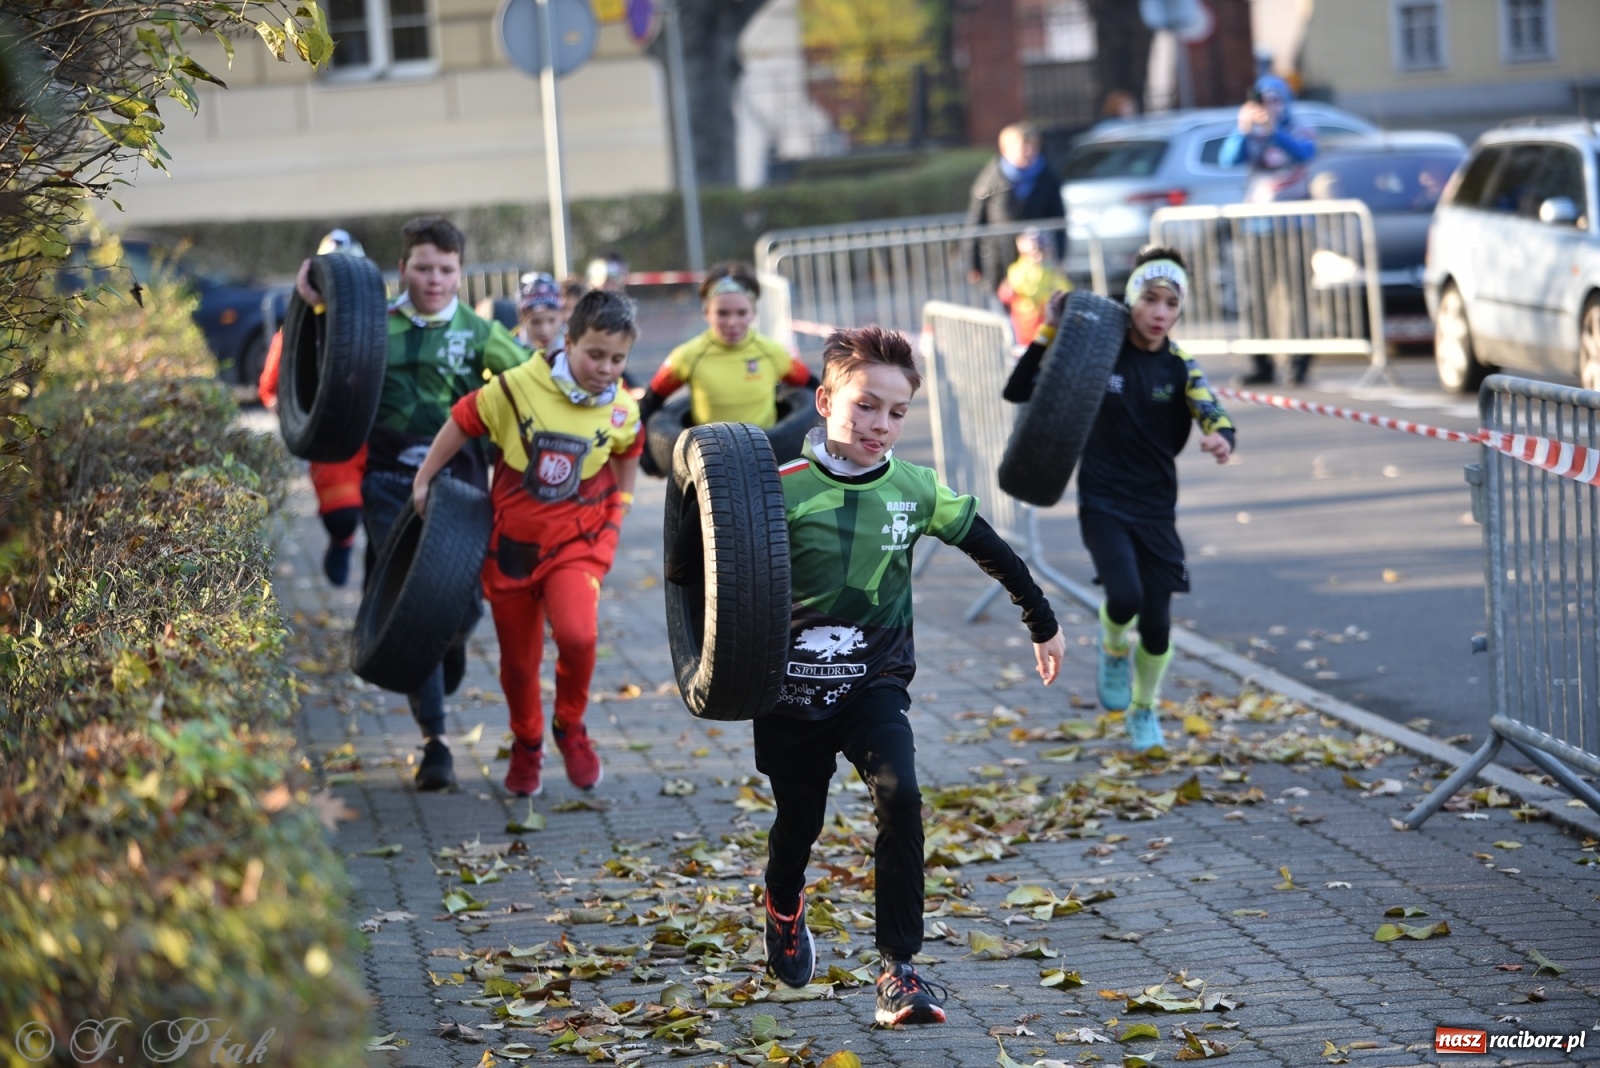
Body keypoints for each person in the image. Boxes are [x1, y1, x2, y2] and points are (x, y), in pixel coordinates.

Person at [744, 325, 1066, 1025]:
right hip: (790, 693)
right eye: (865, 405)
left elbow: (988, 546)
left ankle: (899, 969)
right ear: (825, 401)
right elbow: (711, 579)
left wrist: (1040, 620)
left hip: (874, 683)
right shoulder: (778, 490)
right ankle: (783, 902)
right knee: (800, 821)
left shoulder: (914, 488)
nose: (880, 425)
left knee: (902, 794)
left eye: (896, 412)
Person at [294, 216, 531, 792]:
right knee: (413, 600)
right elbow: (322, 374)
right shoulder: (374, 326)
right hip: (390, 481)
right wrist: (316, 309)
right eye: (423, 268)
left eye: (445, 269)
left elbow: (531, 386)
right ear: (402, 269)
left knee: (463, 607)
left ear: (460, 272)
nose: (434, 280)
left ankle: (450, 638)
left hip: (463, 485)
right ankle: (435, 744)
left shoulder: (479, 331)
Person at [409, 290, 642, 797]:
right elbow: (462, 419)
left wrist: (622, 501)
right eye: (595, 355)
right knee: (518, 663)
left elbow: (630, 447)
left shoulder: (622, 408)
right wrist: (425, 478)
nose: (605, 369)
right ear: (568, 341)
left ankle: (570, 726)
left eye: (617, 359)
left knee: (578, 636)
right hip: (512, 548)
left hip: (576, 545)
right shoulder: (515, 388)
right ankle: (528, 742)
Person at [1003, 248, 1235, 752]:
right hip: (1104, 501)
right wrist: (1050, 328)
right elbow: (1018, 389)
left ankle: (1143, 710)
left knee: (1156, 626)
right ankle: (1112, 649)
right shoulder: (1098, 350)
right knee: (1124, 597)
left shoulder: (1179, 365)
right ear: (1131, 300)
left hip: (1156, 508)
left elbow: (1212, 410)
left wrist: (1221, 438)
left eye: (1171, 303)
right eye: (1150, 299)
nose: (1159, 312)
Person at [258, 228, 368, 587]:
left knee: (387, 520)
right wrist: (291, 415)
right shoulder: (297, 331)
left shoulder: (379, 323)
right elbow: (271, 388)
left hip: (378, 431)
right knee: (343, 516)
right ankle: (343, 541)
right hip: (330, 434)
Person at [636, 262, 817, 472]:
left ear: (753, 312)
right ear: (707, 313)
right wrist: (648, 453)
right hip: (711, 465)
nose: (732, 322)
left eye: (741, 312)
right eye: (722, 313)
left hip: (766, 458)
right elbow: (649, 403)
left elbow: (815, 389)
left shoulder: (774, 352)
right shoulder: (686, 356)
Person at [1220, 74, 1317, 386]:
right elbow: (1227, 159)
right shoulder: (1251, 133)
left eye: (1276, 100)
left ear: (1286, 102)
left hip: (1294, 226)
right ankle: (1262, 364)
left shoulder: (1299, 128)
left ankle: (1299, 363)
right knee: (1256, 296)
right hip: (1257, 228)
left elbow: (1305, 152)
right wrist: (1241, 129)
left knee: (1296, 295)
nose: (1269, 106)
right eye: (1264, 100)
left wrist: (1274, 133)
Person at [965, 122, 1067, 296]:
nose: (1027, 151)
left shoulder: (1048, 178)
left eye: (1032, 146)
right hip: (1000, 260)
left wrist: (1060, 257)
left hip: (1038, 261)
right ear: (1005, 149)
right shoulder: (990, 180)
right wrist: (972, 264)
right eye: (1022, 146)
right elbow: (975, 223)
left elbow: (1059, 220)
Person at [996, 228, 1072, 346]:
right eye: (1035, 252)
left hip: (1047, 322)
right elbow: (1007, 292)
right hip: (1025, 323)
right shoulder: (1017, 271)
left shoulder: (1053, 271)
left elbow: (1065, 289)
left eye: (1042, 251)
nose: (1039, 257)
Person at [516, 272, 563, 353]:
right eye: (536, 322)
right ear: (522, 318)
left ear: (561, 316)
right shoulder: (512, 351)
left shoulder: (571, 347)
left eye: (551, 320)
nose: (544, 330)